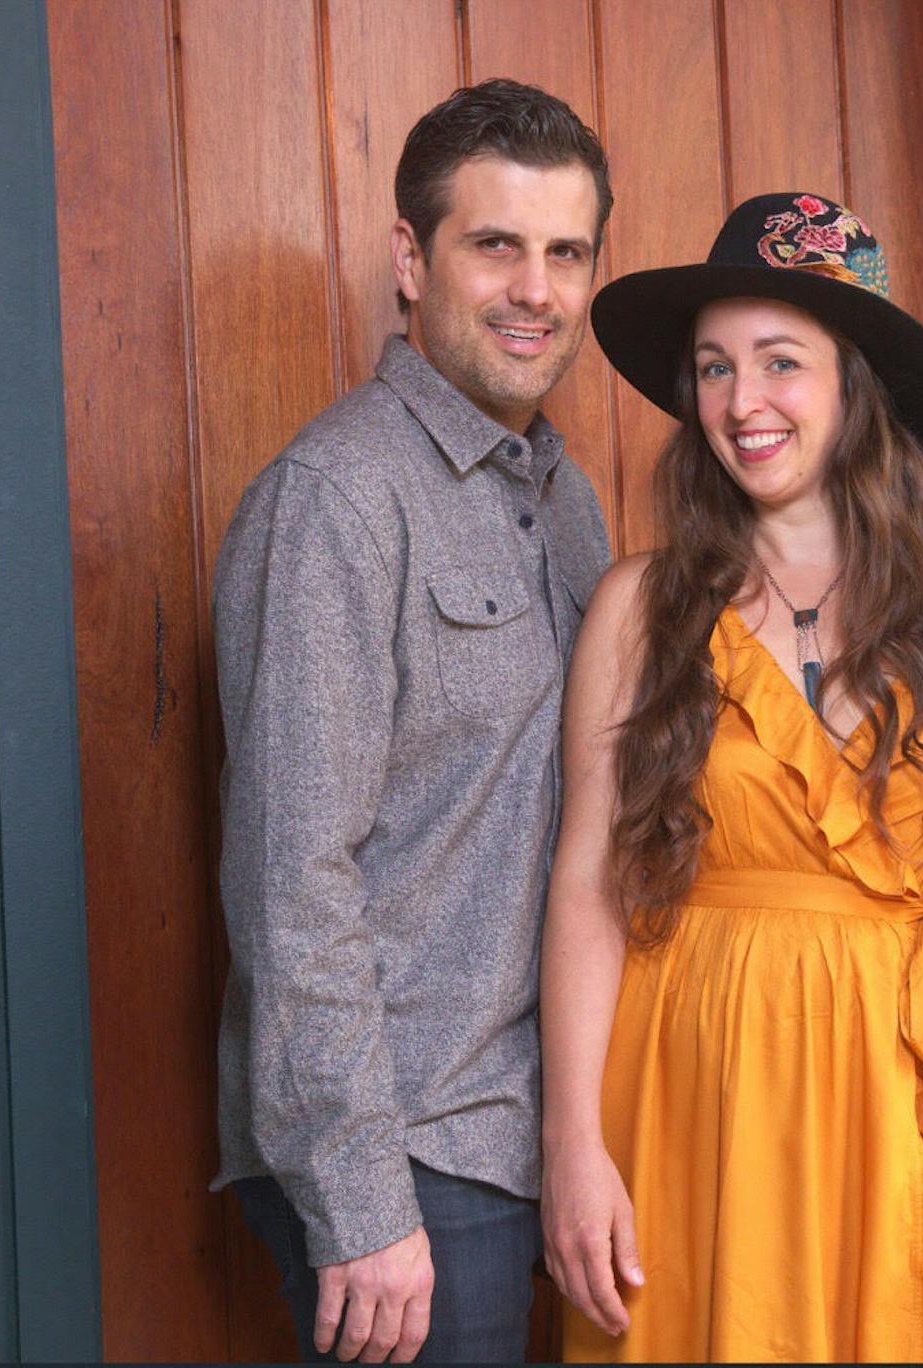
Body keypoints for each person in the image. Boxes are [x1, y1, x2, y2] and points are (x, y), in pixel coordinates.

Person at [540, 192, 923, 1362]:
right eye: (714, 368)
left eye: (780, 363)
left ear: (856, 387)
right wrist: (572, 1147)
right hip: (696, 1094)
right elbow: (588, 887)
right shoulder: (637, 611)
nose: (744, 403)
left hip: (897, 1096)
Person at [210, 79, 612, 1364]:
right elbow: (292, 879)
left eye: (565, 253)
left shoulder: (565, 497)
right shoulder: (336, 499)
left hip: (539, 1139)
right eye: (495, 244)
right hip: (412, 1158)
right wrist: (364, 1205)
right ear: (410, 258)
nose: (534, 290)